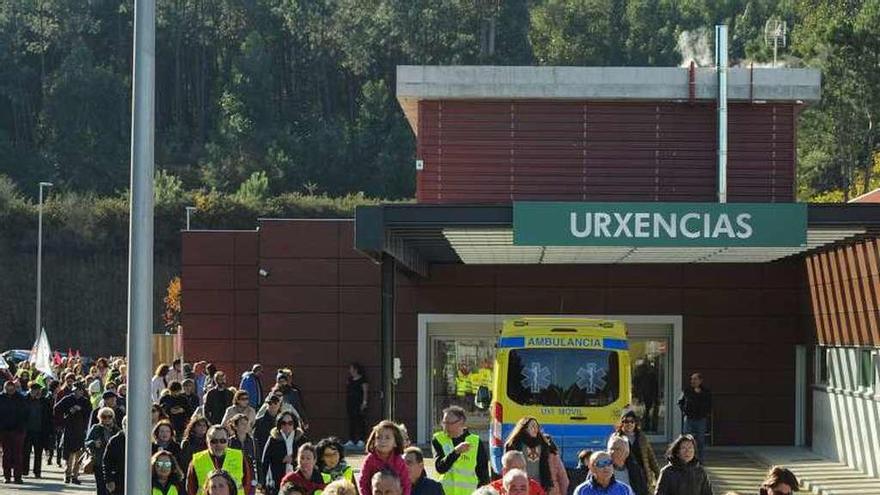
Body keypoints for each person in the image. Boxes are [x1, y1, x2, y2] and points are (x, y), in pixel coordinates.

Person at [433, 405, 489, 495]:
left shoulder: (475, 441)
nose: (446, 427)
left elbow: (483, 475)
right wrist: (456, 452)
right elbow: (440, 468)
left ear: (461, 422)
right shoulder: (438, 439)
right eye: (444, 423)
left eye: (450, 423)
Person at [186, 425, 252, 495]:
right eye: (214, 441)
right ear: (207, 442)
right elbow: (191, 488)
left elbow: (247, 484)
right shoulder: (197, 460)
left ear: (228, 441)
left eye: (223, 441)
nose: (218, 444)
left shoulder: (239, 457)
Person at [54, 381, 92, 484]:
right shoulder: (67, 399)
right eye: (76, 390)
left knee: (79, 454)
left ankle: (75, 476)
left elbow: (89, 413)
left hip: (81, 429)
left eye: (80, 390)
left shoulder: (85, 401)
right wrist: (68, 412)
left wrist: (81, 409)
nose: (78, 392)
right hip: (69, 428)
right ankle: (67, 474)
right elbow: (56, 409)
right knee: (69, 454)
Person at [359, 420, 410, 495]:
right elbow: (363, 483)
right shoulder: (370, 459)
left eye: (387, 438)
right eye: (378, 437)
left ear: (395, 442)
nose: (382, 441)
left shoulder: (399, 461)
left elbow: (406, 484)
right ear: (374, 441)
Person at [612, 412, 659, 492]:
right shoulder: (616, 438)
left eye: (632, 421)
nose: (629, 424)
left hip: (641, 475)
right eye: (626, 421)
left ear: (635, 423)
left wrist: (658, 474)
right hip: (625, 474)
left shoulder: (641, 437)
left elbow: (651, 457)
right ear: (622, 423)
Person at [261, 411, 305, 495]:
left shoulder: (301, 439)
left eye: (290, 423)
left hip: (297, 481)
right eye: (283, 423)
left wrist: (293, 460)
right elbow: (265, 461)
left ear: (294, 424)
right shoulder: (273, 439)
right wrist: (262, 483)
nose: (287, 426)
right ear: (279, 424)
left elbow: (308, 458)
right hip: (277, 480)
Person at [504, 417, 552, 492]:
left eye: (537, 426)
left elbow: (546, 466)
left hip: (538, 485)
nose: (535, 429)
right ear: (525, 428)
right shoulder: (514, 444)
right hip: (519, 486)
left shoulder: (543, 444)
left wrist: (547, 484)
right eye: (532, 426)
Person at [86, 407, 121, 495]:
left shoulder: (116, 430)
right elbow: (86, 442)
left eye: (109, 416)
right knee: (101, 488)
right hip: (99, 463)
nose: (107, 419)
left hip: (112, 464)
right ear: (100, 417)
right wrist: (94, 443)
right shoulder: (96, 428)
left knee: (111, 489)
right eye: (104, 416)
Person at [678, 373, 712, 461]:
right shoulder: (687, 390)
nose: (692, 381)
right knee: (686, 440)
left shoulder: (706, 392)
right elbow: (680, 402)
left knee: (700, 441)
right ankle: (685, 459)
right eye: (692, 379)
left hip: (701, 419)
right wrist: (684, 410)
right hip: (689, 418)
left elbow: (709, 404)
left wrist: (705, 412)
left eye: (695, 379)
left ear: (700, 381)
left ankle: (700, 460)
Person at [22, 381, 52, 479]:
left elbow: (48, 415)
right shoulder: (24, 399)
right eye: (34, 390)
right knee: (26, 452)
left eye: (38, 390)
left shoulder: (44, 401)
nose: (36, 392)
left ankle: (37, 472)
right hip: (27, 430)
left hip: (39, 431)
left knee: (38, 453)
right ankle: (24, 470)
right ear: (30, 390)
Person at [0, 379, 27, 484]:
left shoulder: (21, 398)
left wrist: (23, 427)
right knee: (6, 454)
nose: (10, 390)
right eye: (8, 388)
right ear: (5, 388)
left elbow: (26, 413)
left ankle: (17, 477)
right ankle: (7, 476)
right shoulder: (1, 398)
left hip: (18, 431)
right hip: (4, 430)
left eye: (12, 388)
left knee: (18, 454)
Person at [227, 413, 260, 494]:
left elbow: (258, 461)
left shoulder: (253, 442)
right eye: (242, 424)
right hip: (234, 478)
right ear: (235, 426)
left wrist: (260, 480)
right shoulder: (229, 442)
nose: (245, 426)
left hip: (251, 477)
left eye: (246, 423)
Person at [344, 362, 368, 448]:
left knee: (360, 421)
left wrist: (364, 402)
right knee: (352, 421)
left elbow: (365, 391)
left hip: (359, 403)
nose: (350, 370)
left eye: (351, 368)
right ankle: (351, 440)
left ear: (356, 369)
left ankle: (361, 440)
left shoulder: (363, 380)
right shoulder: (350, 379)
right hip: (351, 403)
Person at [103, 417, 126, 495]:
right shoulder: (115, 441)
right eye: (126, 425)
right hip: (118, 480)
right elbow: (106, 462)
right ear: (123, 426)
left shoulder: (142, 439)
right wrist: (109, 480)